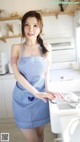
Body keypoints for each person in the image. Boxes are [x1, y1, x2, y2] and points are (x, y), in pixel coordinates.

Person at [11, 10, 62, 142]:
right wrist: (36, 93)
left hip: (41, 99)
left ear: (40, 28)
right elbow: (17, 75)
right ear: (22, 26)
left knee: (40, 137)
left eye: (35, 25)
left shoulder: (47, 47)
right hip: (22, 99)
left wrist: (48, 89)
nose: (30, 29)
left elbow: (46, 72)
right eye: (27, 25)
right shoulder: (16, 47)